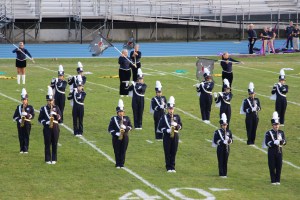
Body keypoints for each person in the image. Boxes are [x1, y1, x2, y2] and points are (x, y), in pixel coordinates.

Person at [157, 96, 182, 172]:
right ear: (167, 109)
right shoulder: (164, 117)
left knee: (174, 151)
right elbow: (160, 127)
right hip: (167, 136)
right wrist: (166, 130)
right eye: (170, 109)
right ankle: (168, 167)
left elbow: (181, 126)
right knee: (167, 152)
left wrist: (176, 125)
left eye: (172, 109)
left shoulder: (177, 117)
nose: (171, 110)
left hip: (175, 135)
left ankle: (173, 167)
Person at [38, 86, 62, 164]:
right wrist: (46, 122)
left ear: (53, 100)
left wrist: (55, 114)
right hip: (47, 128)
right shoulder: (43, 108)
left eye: (51, 100)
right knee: (47, 143)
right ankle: (47, 159)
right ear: (47, 101)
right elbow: (40, 119)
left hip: (55, 128)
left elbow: (60, 119)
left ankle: (54, 159)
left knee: (55, 143)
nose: (50, 102)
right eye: (48, 101)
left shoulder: (57, 108)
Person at [108, 99, 132, 168]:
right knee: (117, 150)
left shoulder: (126, 118)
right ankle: (117, 163)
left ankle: (122, 163)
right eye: (120, 112)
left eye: (122, 112)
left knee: (123, 150)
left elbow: (130, 127)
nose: (121, 113)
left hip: (125, 136)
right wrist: (115, 133)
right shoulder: (113, 119)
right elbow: (110, 129)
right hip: (116, 137)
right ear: (117, 112)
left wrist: (126, 127)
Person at [264, 111, 286, 185]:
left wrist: (282, 141)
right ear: (272, 125)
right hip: (272, 151)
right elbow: (267, 143)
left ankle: (278, 180)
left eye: (277, 124)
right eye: (275, 125)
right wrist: (274, 142)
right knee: (272, 166)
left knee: (279, 165)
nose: (276, 126)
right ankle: (273, 180)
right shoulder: (268, 133)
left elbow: (285, 141)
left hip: (279, 151)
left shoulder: (281, 132)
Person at [13, 88, 35, 154]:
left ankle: (26, 149)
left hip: (27, 123)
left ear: (27, 99)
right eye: (23, 100)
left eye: (25, 100)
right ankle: (21, 148)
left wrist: (27, 114)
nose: (24, 101)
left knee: (26, 135)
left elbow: (32, 116)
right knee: (20, 135)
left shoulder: (30, 107)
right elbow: (14, 117)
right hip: (20, 123)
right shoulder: (19, 107)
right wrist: (18, 120)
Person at [213, 113, 233, 178]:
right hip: (220, 148)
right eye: (224, 125)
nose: (225, 126)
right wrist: (222, 142)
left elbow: (232, 139)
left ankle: (225, 173)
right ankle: (221, 173)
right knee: (221, 160)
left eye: (226, 125)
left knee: (225, 160)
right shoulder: (217, 132)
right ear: (221, 125)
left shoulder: (229, 131)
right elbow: (216, 140)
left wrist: (230, 141)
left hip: (227, 148)